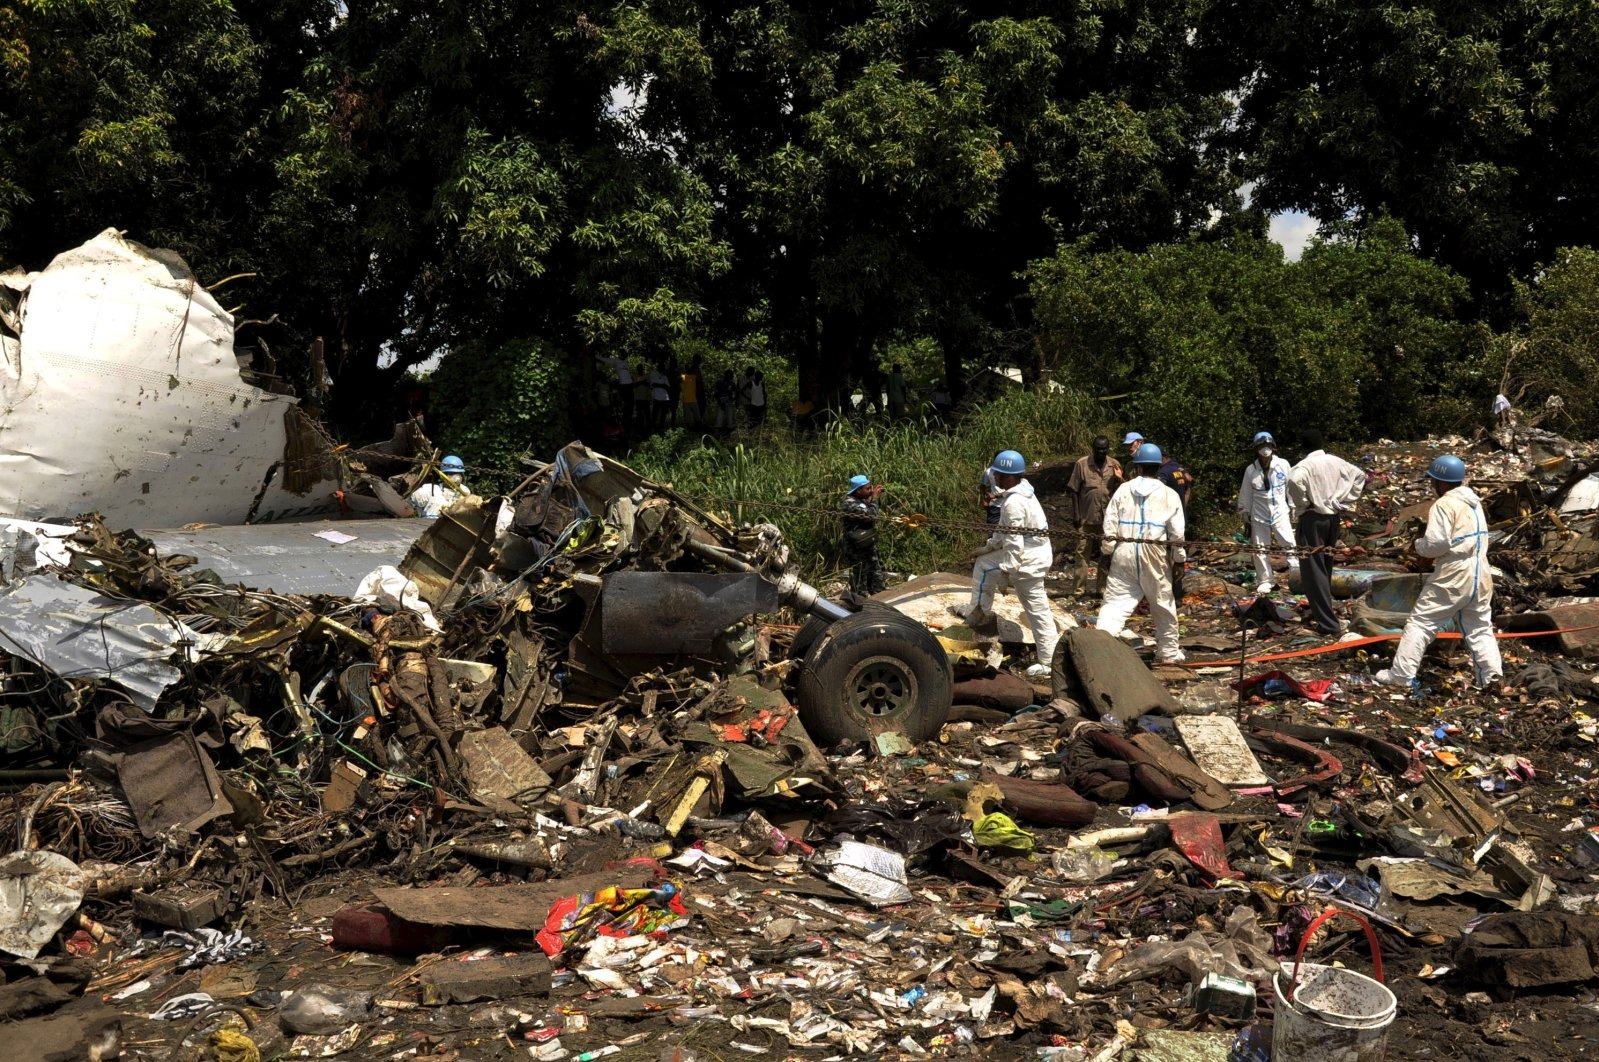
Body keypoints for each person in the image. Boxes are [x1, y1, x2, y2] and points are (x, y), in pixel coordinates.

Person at [1376, 456, 1504, 691]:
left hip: (1454, 572)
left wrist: (1418, 546)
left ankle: (1402, 675)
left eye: (1434, 481)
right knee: (1479, 627)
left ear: (1441, 482)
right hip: (1480, 571)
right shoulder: (1474, 503)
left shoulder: (1444, 504)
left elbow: (1437, 544)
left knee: (1421, 623)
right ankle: (1492, 677)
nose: (1433, 485)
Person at [964, 450, 1057, 680]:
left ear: (1008, 477)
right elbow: (1004, 531)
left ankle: (979, 617)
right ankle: (1050, 657)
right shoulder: (1022, 493)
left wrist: (1007, 571)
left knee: (987, 569)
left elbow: (1014, 543)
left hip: (1029, 558)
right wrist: (990, 546)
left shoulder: (1013, 502)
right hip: (1036, 553)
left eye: (998, 474)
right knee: (1037, 607)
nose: (994, 477)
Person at [1096, 444, 1187, 663]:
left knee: (1115, 604)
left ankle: (1098, 649)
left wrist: (1108, 551)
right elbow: (1177, 532)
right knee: (1163, 604)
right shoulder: (1169, 494)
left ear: (1137, 467)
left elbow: (1110, 522)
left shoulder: (1123, 489)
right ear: (1158, 467)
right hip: (1154, 551)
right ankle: (1168, 653)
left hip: (1124, 550)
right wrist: (1178, 559)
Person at [1286, 429, 1366, 637]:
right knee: (1325, 565)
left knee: (1313, 571)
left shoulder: (1304, 466)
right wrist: (1344, 499)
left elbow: (1294, 482)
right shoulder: (1336, 462)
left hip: (1313, 517)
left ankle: (1327, 623)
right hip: (1333, 518)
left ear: (1303, 447)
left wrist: (1303, 503)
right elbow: (1360, 476)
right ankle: (1323, 611)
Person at [1236, 431, 1299, 595]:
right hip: (1259, 513)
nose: (1265, 448)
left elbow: (1290, 487)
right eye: (1261, 446)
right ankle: (1265, 580)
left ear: (1273, 446)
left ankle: (1297, 573)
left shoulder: (1283, 464)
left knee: (1288, 542)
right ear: (1256, 448)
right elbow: (1246, 491)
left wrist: (1293, 505)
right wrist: (1244, 510)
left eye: (1268, 445)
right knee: (1260, 548)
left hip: (1279, 510)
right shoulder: (1251, 470)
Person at [1066, 435, 1123, 597]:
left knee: (1106, 553)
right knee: (1082, 553)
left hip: (1108, 519)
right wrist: (1076, 513)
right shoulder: (1082, 464)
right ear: (1093, 448)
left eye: (1104, 449)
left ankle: (1102, 589)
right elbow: (1074, 490)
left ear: (1108, 449)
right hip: (1086, 517)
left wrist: (1120, 479)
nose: (1101, 451)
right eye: (1098, 449)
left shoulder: (1114, 465)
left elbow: (1121, 493)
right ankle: (1079, 590)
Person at [840, 475, 886, 596]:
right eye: (868, 488)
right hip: (856, 549)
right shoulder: (850, 504)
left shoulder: (862, 500)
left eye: (871, 487)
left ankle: (879, 596)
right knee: (860, 578)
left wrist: (874, 499)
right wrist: (875, 498)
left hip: (867, 545)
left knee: (876, 576)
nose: (871, 490)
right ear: (859, 490)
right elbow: (870, 515)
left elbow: (871, 511)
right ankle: (860, 605)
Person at [682, 357, 705, 428]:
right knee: (694, 409)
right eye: (698, 360)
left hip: (698, 392)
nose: (699, 362)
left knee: (701, 407)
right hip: (694, 393)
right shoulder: (691, 370)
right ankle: (693, 425)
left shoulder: (697, 369)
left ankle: (698, 423)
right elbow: (683, 378)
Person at [649, 363, 672, 428]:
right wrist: (663, 385)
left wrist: (659, 385)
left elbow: (668, 387)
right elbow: (653, 385)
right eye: (661, 367)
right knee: (655, 414)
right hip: (657, 397)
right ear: (658, 367)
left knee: (663, 415)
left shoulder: (665, 376)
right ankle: (653, 428)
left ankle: (661, 427)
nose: (662, 369)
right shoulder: (653, 374)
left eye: (663, 367)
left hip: (665, 398)